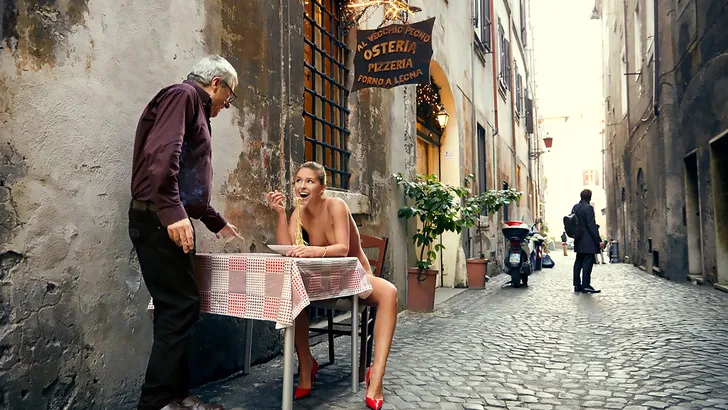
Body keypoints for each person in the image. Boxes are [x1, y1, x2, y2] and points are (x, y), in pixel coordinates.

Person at [129, 55, 240, 410]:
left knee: (175, 308)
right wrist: (171, 212)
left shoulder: (193, 105)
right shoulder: (184, 95)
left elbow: (190, 180)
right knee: (180, 307)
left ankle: (176, 397)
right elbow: (163, 155)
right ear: (216, 83)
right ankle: (158, 400)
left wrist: (212, 219)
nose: (226, 104)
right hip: (158, 218)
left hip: (164, 217)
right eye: (229, 95)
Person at [266, 162, 398, 410]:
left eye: (309, 181)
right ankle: (306, 364)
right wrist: (281, 214)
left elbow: (343, 249)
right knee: (292, 293)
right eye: (298, 180)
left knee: (390, 293)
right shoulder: (298, 211)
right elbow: (287, 249)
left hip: (354, 277)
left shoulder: (336, 205)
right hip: (324, 281)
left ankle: (376, 376)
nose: (301, 186)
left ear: (322, 187)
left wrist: (314, 251)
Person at [571, 189, 602, 293]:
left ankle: (576, 285)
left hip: (578, 239)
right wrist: (598, 240)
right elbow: (591, 225)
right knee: (587, 263)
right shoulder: (588, 208)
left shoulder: (575, 207)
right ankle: (585, 285)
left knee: (578, 262)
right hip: (587, 240)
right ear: (590, 197)